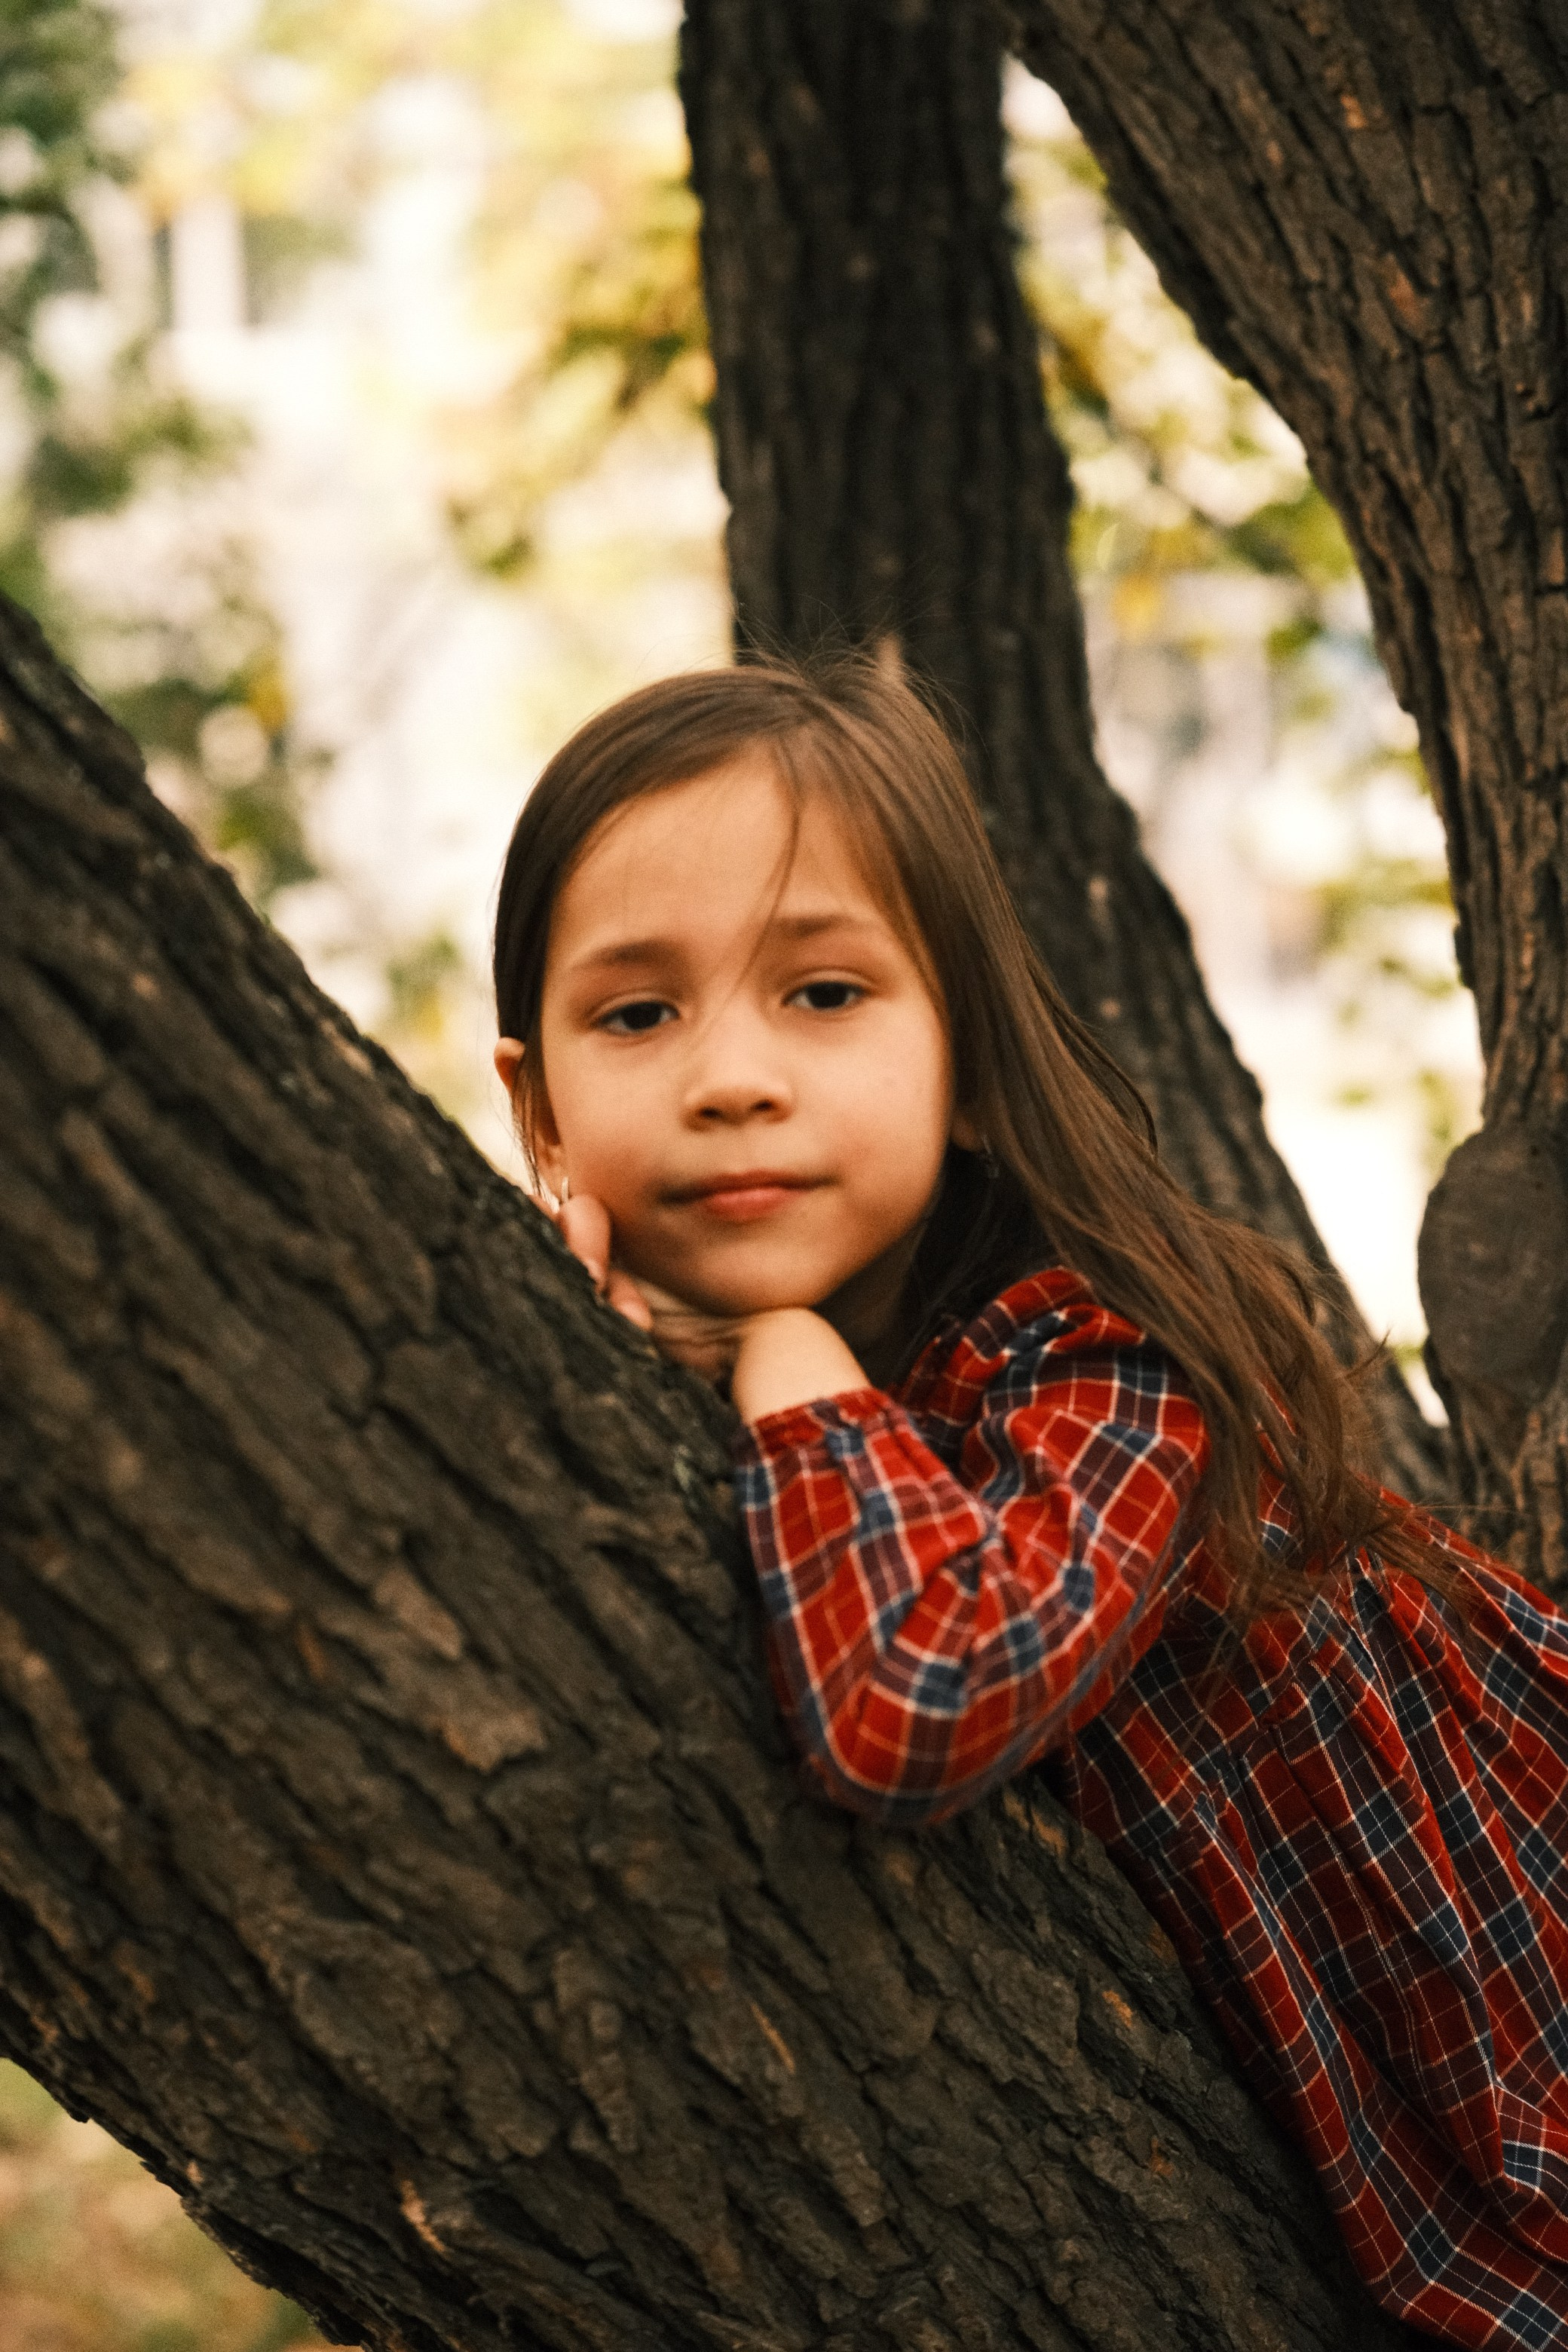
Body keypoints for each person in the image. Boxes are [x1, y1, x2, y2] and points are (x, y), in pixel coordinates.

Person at [492, 653, 1568, 2351]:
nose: (728, 1078)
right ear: (536, 1105)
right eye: (636, 1014)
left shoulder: (1094, 1353)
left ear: (968, 1062)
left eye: (823, 994)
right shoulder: (668, 1415)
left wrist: (788, 1362)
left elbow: (913, 1699)